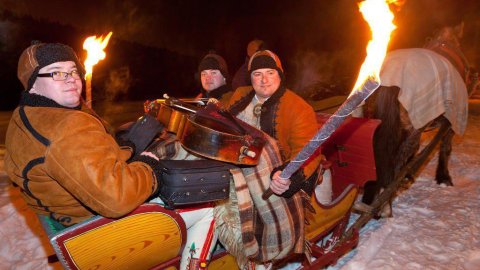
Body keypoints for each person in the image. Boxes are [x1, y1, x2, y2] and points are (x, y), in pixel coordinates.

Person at [5, 41, 215, 269]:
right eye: (57, 73)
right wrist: (149, 167)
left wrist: (128, 145)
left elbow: (84, 158)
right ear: (32, 84)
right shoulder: (65, 128)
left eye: (73, 71)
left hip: (72, 225)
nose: (71, 79)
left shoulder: (26, 115)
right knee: (209, 208)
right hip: (98, 234)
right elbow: (117, 198)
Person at [227, 49, 323, 197]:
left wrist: (287, 175)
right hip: (233, 167)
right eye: (257, 74)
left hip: (272, 174)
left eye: (270, 73)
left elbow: (307, 150)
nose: (264, 80)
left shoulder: (299, 108)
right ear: (250, 78)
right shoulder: (240, 95)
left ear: (280, 75)